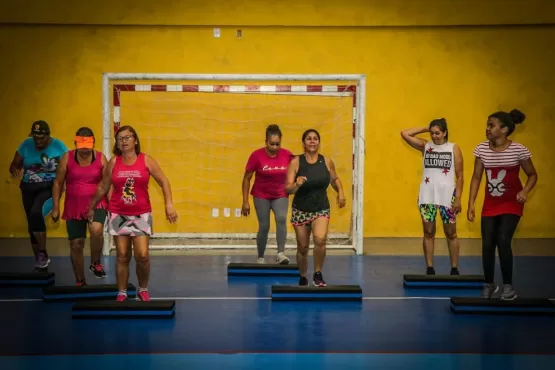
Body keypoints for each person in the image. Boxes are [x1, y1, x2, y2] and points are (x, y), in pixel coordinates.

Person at [87, 125, 178, 302]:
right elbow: (103, 186)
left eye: (128, 137)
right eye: (120, 138)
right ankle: (121, 292)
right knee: (122, 255)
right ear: (117, 144)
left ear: (135, 140)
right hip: (118, 213)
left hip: (141, 214)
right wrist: (92, 206)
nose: (124, 140)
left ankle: (142, 289)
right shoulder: (114, 162)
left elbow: (163, 181)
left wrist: (169, 204)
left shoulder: (146, 160)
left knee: (142, 255)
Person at [468, 109, 537, 300]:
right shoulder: (481, 149)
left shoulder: (518, 150)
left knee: (503, 240)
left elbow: (532, 175)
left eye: (492, 125)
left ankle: (508, 287)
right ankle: (489, 284)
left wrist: (524, 191)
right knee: (488, 243)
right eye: (487, 125)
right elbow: (476, 177)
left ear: (504, 129)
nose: (487, 129)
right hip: (491, 204)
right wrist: (471, 203)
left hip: (511, 203)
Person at [401, 119, 464, 275]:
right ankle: (429, 267)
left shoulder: (453, 148)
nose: (435, 136)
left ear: (444, 132)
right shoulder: (425, 146)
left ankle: (454, 267)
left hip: (447, 195)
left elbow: (460, 175)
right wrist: (425, 127)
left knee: (451, 232)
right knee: (429, 232)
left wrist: (458, 198)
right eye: (432, 133)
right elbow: (405, 133)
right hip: (427, 194)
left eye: (437, 133)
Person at [285, 129, 346, 287]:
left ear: (319, 142)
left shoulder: (326, 161)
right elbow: (288, 189)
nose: (312, 141)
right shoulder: (295, 162)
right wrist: (296, 184)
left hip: (321, 208)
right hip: (301, 210)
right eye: (309, 139)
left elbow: (335, 179)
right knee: (303, 247)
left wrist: (341, 192)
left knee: (320, 239)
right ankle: (303, 276)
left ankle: (318, 274)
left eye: (315, 139)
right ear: (303, 143)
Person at [8, 120, 68, 271]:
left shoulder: (59, 147)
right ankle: (40, 258)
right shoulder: (26, 145)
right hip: (28, 188)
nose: (38, 141)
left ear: (48, 136)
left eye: (41, 138)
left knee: (36, 212)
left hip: (49, 188)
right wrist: (15, 169)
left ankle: (42, 252)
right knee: (32, 226)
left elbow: (69, 166)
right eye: (35, 138)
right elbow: (14, 164)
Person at [51, 127, 108, 286]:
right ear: (75, 143)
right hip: (74, 205)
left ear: (93, 143)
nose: (84, 148)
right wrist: (56, 206)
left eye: (87, 144)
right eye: (81, 144)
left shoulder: (101, 158)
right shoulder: (66, 158)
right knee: (76, 244)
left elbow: (107, 183)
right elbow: (58, 182)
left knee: (96, 230)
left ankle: (95, 262)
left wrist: (114, 206)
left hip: (97, 202)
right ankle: (80, 280)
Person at [242, 124, 293, 264]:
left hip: (280, 193)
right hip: (261, 195)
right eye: (272, 144)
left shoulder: (288, 155)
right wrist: (245, 201)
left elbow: (296, 170)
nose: (275, 147)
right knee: (264, 226)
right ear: (266, 141)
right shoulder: (256, 156)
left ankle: (281, 253)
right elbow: (246, 178)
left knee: (281, 219)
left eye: (278, 144)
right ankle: (260, 257)